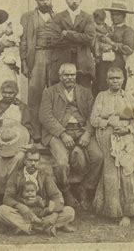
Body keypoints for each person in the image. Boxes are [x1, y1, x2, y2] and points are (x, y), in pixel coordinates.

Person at [39, 63, 103, 210]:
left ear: (76, 76)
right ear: (60, 76)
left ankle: (85, 187)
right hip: (58, 133)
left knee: (98, 157)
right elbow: (45, 116)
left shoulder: (85, 92)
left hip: (81, 130)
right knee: (61, 162)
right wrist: (62, 133)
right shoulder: (50, 92)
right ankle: (66, 191)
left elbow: (94, 114)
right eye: (66, 75)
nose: (69, 78)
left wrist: (87, 133)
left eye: (72, 75)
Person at [91, 67, 134, 227]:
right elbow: (94, 119)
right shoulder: (101, 96)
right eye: (111, 78)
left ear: (123, 79)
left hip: (127, 136)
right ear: (107, 80)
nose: (115, 81)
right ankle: (112, 211)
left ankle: (129, 212)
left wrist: (127, 129)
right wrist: (108, 122)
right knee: (111, 172)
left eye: (118, 78)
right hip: (107, 135)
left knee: (127, 169)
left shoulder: (129, 97)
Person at [0, 80, 33, 216]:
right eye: (5, 92)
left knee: (19, 157)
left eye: (11, 93)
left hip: (18, 142)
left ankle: (10, 198)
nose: (8, 95)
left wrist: (27, 142)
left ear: (16, 93)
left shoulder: (23, 108)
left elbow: (29, 128)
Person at [0, 148, 76, 236]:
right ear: (25, 161)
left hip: (42, 213)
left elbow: (57, 196)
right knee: (2, 210)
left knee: (69, 212)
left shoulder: (45, 176)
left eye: (36, 161)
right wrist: (21, 207)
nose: (33, 164)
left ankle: (29, 227)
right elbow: (7, 198)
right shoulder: (16, 175)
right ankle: (47, 227)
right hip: (23, 213)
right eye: (30, 160)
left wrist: (54, 216)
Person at [19, 0, 55, 144]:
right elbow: (24, 41)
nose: (45, 2)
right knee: (35, 95)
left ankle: (52, 131)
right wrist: (24, 62)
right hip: (37, 56)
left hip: (54, 57)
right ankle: (36, 132)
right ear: (36, 0)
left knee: (54, 93)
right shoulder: (28, 17)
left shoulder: (56, 16)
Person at [48, 0, 96, 88]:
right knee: (61, 90)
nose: (74, 1)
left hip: (83, 61)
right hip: (63, 58)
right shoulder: (58, 17)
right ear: (66, 0)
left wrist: (68, 34)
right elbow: (55, 40)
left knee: (83, 90)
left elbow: (90, 37)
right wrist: (79, 38)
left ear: (81, 0)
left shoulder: (87, 17)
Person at [95, 2, 134, 94]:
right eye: (112, 15)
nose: (114, 17)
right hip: (102, 63)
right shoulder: (106, 28)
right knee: (102, 85)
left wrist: (111, 43)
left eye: (117, 15)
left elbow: (129, 49)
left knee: (116, 85)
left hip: (117, 63)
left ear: (123, 16)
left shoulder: (127, 30)